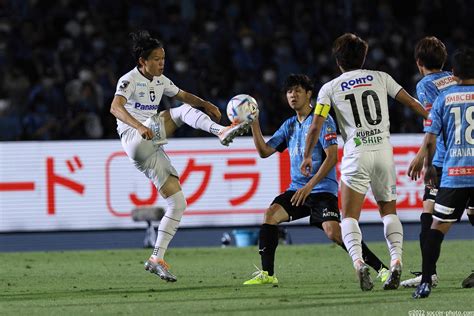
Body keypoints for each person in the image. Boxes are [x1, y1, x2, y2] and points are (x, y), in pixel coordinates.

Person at [109, 30, 251, 282]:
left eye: (163, 58)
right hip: (135, 139)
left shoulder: (161, 80)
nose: (161, 63)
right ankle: (221, 132)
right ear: (142, 61)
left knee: (178, 202)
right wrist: (139, 126)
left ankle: (156, 258)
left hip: (150, 147)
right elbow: (115, 107)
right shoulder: (128, 79)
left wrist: (206, 104)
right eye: (156, 59)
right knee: (182, 113)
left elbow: (184, 95)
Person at [300, 33, 428, 291]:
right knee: (388, 211)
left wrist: (306, 154)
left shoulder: (330, 88)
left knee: (349, 216)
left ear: (338, 61)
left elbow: (315, 126)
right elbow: (412, 103)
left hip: (356, 154)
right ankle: (396, 260)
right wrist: (434, 118)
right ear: (364, 57)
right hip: (383, 151)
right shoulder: (381, 78)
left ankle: (359, 263)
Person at [243, 74, 388, 288]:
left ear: (309, 94)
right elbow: (264, 151)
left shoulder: (322, 120)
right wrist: (254, 123)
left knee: (334, 232)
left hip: (321, 190)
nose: (293, 95)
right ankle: (267, 273)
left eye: (298, 91)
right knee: (270, 215)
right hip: (297, 190)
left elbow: (332, 157)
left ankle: (382, 269)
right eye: (289, 92)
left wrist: (309, 186)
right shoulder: (289, 125)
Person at [412, 48, 474, 299]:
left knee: (437, 227)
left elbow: (431, 137)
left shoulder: (444, 98)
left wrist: (428, 167)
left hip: (455, 173)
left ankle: (426, 281)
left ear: (454, 72)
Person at [402, 36, 457, 288]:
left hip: (444, 158)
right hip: (465, 153)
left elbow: (433, 121)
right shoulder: (454, 78)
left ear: (419, 62)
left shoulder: (425, 84)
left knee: (429, 213)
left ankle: (429, 274)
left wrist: (423, 157)